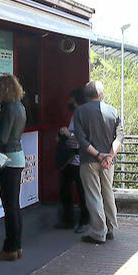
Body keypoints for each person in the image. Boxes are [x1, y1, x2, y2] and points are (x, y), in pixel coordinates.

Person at [74, 80, 123, 245]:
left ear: (86, 95)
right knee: (108, 193)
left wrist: (98, 155)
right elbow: (119, 137)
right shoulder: (113, 111)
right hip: (108, 162)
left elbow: (81, 139)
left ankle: (98, 232)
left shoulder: (80, 112)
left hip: (89, 160)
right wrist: (109, 156)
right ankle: (111, 228)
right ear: (101, 94)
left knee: (93, 195)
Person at [0, 74, 27, 261]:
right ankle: (17, 247)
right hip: (17, 157)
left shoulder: (8, 108)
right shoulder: (20, 107)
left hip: (7, 159)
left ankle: (10, 249)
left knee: (9, 207)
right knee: (14, 206)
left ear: (5, 90)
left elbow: (2, 138)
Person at [56, 87, 90, 231]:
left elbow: (83, 137)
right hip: (71, 158)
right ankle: (69, 219)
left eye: (70, 99)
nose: (68, 101)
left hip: (78, 158)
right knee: (66, 189)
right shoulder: (75, 114)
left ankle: (83, 220)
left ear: (76, 100)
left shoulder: (82, 114)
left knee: (81, 192)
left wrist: (68, 134)